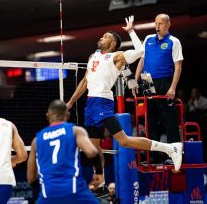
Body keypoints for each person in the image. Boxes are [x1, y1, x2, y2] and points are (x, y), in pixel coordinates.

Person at [66, 15, 183, 183]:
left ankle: (170, 148)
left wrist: (131, 32)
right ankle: (100, 183)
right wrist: (70, 103)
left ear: (113, 43)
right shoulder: (94, 56)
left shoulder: (117, 57)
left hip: (103, 102)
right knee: (93, 146)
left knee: (124, 141)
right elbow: (84, 81)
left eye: (105, 36)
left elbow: (141, 52)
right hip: (90, 103)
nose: (101, 37)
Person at [27, 99, 103, 204]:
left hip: (48, 194)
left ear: (48, 116)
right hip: (74, 190)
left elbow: (30, 177)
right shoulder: (75, 131)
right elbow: (92, 152)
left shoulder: (36, 140)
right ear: (67, 115)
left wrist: (47, 191)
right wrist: (99, 172)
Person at [133, 13, 183, 163]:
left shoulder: (174, 41)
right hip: (147, 82)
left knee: (169, 120)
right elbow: (141, 61)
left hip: (165, 83)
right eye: (156, 23)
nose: (157, 26)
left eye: (161, 23)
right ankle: (152, 157)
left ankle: (173, 156)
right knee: (150, 120)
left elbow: (178, 66)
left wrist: (173, 87)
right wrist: (135, 81)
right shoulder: (148, 39)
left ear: (168, 24)